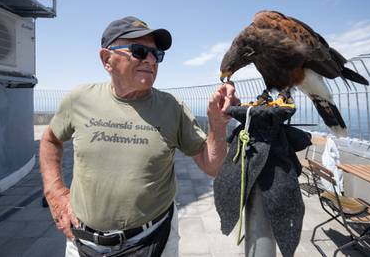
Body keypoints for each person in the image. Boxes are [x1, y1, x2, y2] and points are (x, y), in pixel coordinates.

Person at [39, 16, 238, 257]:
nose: (152, 60)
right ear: (106, 59)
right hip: (83, 243)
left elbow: (213, 166)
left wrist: (217, 124)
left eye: (157, 54)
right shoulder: (79, 99)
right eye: (140, 51)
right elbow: (51, 140)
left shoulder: (172, 107)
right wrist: (56, 193)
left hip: (153, 240)